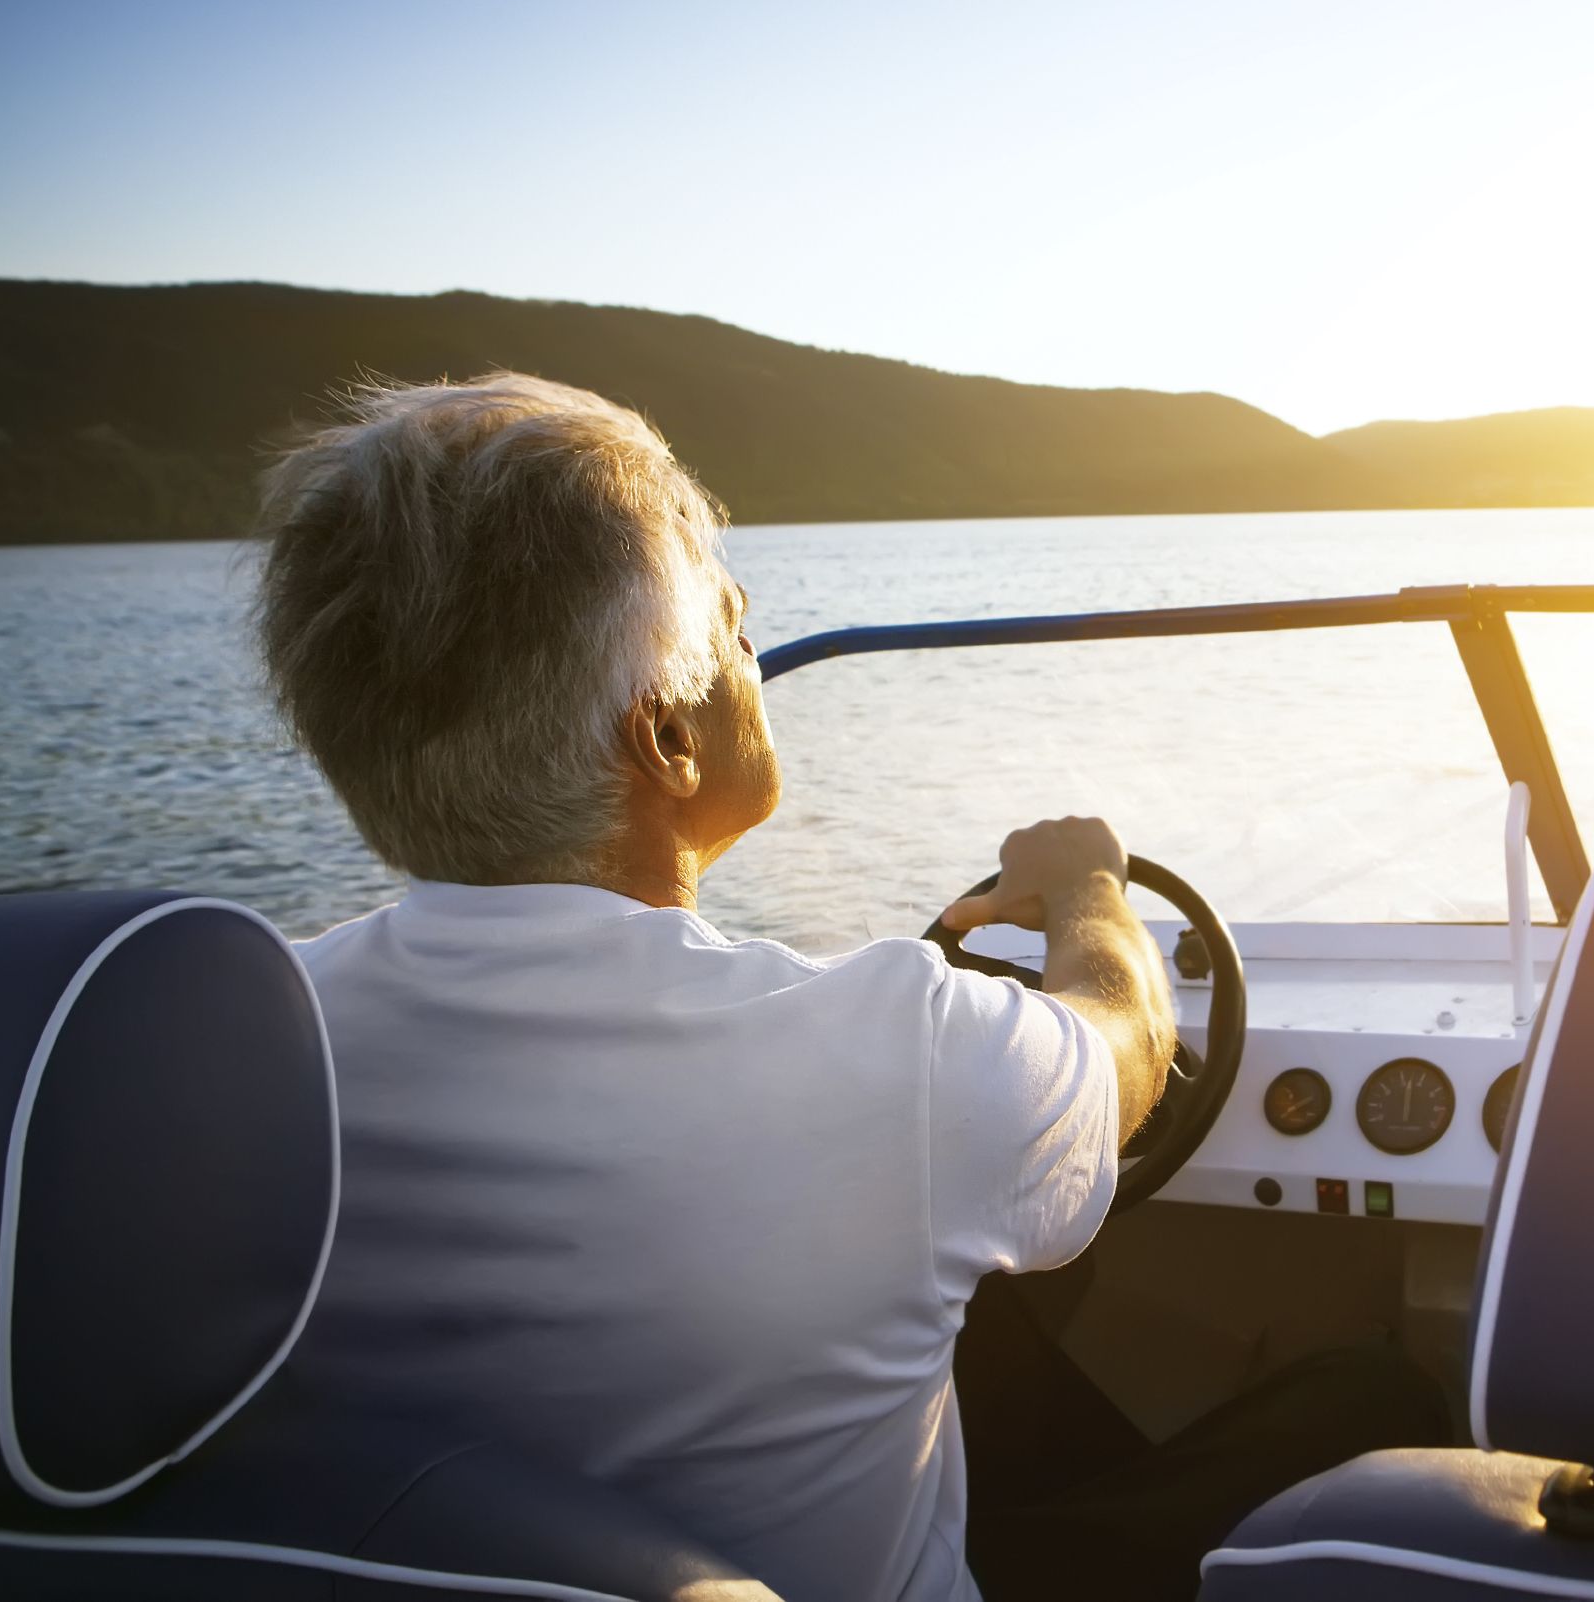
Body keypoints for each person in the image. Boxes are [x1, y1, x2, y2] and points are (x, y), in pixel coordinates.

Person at [258, 376, 1442, 1602]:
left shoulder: (234, 1049)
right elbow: (1127, 1046)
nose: (751, 629)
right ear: (667, 738)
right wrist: (1088, 889)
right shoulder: (900, 1053)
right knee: (1375, 1396)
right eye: (726, 620)